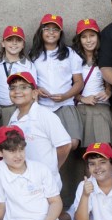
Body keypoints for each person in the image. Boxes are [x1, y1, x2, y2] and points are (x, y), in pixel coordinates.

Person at [6, 71, 72, 196]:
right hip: (23, 182)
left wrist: (53, 167)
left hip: (44, 184)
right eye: (13, 88)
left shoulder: (44, 115)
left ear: (34, 93)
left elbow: (65, 145)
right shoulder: (13, 118)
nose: (17, 91)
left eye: (24, 87)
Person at [29, 13, 84, 145]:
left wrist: (65, 96)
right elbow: (29, 81)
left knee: (72, 142)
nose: (51, 33)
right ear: (41, 31)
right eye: (47, 29)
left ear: (60, 33)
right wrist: (38, 88)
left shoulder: (70, 53)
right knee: (45, 143)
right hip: (43, 105)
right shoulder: (34, 54)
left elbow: (79, 82)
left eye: (55, 29)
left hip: (66, 104)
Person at [0, 25, 36, 143]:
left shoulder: (29, 66)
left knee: (14, 143)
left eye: (18, 40)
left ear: (23, 45)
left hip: (17, 111)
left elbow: (33, 94)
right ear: (3, 43)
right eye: (10, 40)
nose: (14, 43)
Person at [70, 18, 112, 147]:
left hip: (102, 108)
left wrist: (108, 92)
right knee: (87, 153)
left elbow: (109, 80)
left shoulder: (104, 56)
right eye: (84, 37)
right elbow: (66, 86)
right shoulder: (74, 58)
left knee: (103, 149)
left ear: (98, 37)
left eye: (92, 35)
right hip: (81, 108)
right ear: (79, 39)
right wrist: (82, 98)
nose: (89, 40)